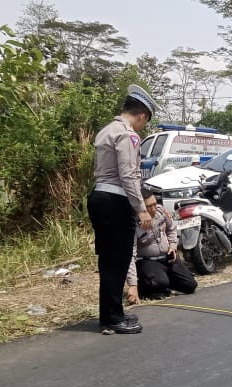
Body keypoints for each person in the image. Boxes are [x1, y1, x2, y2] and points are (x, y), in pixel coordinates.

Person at [87, 84, 157, 335]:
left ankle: (111, 313)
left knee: (109, 260)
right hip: (116, 202)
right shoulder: (127, 135)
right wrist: (141, 209)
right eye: (144, 122)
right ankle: (112, 318)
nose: (142, 127)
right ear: (142, 115)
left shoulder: (107, 130)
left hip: (100, 198)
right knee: (117, 261)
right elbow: (129, 175)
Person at [126, 189, 198, 301]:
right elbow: (130, 254)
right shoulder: (133, 223)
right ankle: (146, 287)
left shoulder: (160, 212)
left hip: (167, 258)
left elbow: (171, 228)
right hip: (147, 261)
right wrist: (132, 284)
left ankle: (163, 283)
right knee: (160, 283)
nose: (154, 208)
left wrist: (173, 247)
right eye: (149, 206)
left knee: (190, 285)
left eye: (155, 204)